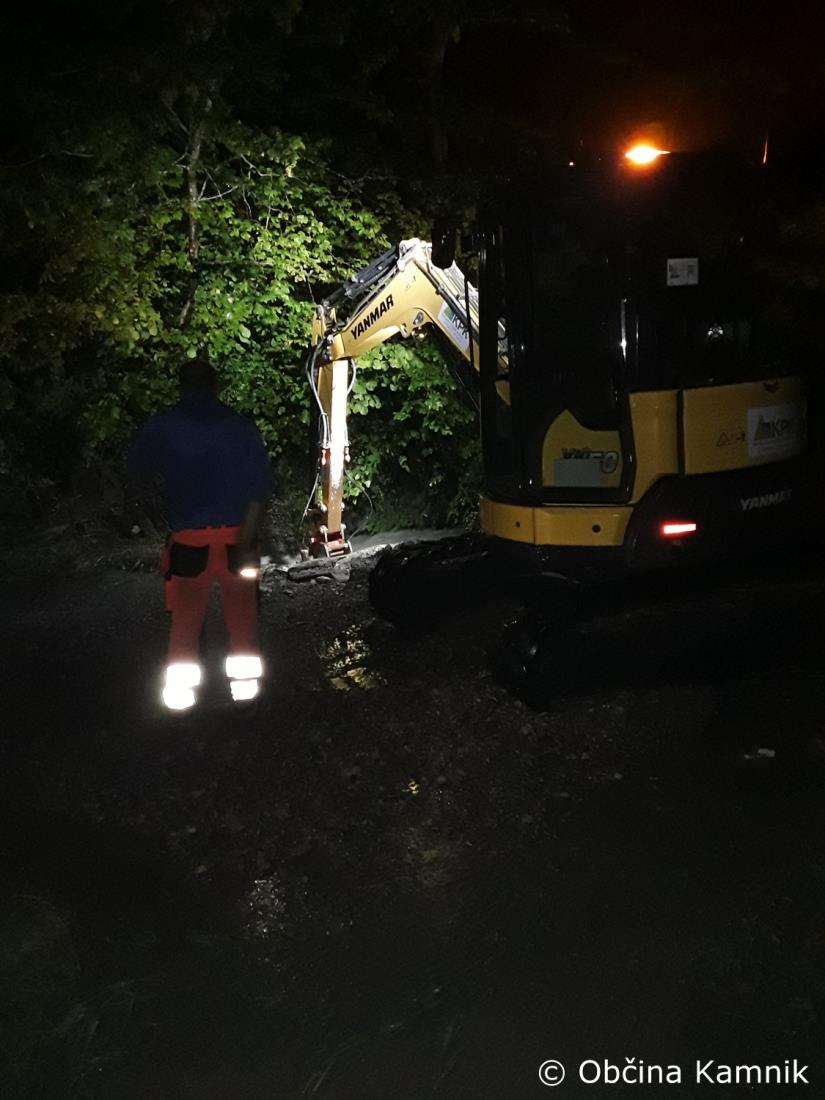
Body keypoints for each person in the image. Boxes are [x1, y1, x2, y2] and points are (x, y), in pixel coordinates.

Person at [128, 358, 272, 711]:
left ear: (181, 386)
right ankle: (245, 695)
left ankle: (181, 700)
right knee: (243, 618)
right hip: (237, 538)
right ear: (215, 386)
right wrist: (246, 540)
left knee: (185, 621)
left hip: (189, 541)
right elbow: (260, 490)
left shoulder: (163, 426)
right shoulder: (240, 427)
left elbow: (137, 472)